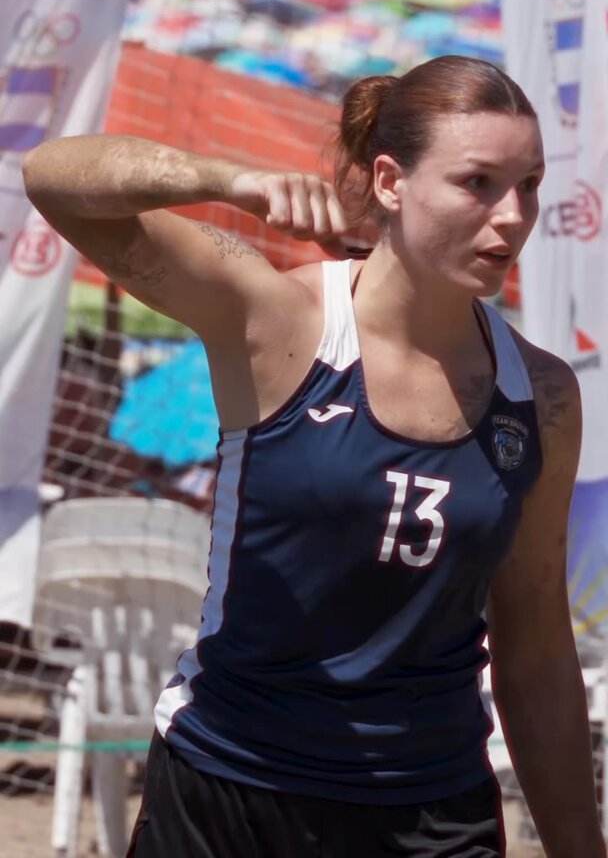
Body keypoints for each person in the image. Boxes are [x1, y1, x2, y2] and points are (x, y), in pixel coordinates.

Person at [22, 55, 605, 858]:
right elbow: (51, 176)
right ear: (391, 181)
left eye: (529, 185)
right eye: (478, 183)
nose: (512, 217)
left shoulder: (540, 394)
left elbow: (535, 648)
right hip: (230, 793)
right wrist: (229, 179)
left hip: (429, 813)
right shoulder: (278, 317)